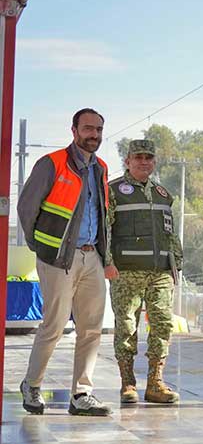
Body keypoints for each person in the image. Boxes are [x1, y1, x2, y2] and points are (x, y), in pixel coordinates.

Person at [17, 108, 114, 416]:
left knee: (91, 329)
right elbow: (26, 208)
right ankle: (32, 385)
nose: (94, 135)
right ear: (74, 130)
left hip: (91, 257)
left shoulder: (101, 168)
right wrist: (41, 249)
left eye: (98, 129)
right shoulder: (52, 163)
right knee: (54, 325)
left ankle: (82, 394)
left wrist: (104, 256)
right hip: (58, 259)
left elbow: (102, 214)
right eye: (88, 128)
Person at [106, 139, 181, 404]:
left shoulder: (163, 194)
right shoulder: (113, 191)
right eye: (138, 157)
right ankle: (128, 384)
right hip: (125, 273)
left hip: (160, 272)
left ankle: (155, 383)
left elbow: (170, 234)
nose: (144, 161)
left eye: (148, 157)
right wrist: (107, 262)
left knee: (162, 325)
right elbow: (105, 230)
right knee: (126, 327)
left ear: (154, 162)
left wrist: (176, 266)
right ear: (127, 161)